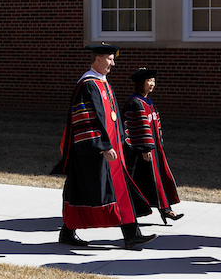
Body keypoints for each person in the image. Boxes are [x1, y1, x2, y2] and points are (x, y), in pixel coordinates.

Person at [51, 43, 157, 249]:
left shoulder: (103, 82)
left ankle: (131, 234)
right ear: (97, 59)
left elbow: (112, 117)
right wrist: (102, 145)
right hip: (95, 152)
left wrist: (121, 139)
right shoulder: (87, 84)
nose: (113, 63)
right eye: (110, 59)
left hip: (113, 150)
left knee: (121, 190)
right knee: (84, 191)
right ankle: (67, 232)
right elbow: (85, 120)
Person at [122, 68, 183, 225]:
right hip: (139, 152)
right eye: (149, 81)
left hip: (152, 150)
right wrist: (145, 148)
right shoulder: (135, 102)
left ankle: (165, 208)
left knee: (157, 179)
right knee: (140, 181)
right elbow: (138, 127)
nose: (152, 84)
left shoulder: (147, 101)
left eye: (153, 81)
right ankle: (128, 212)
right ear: (140, 83)